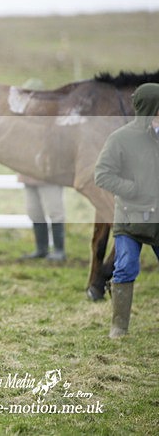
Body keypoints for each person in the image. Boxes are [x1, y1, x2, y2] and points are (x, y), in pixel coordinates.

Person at [94, 83, 159, 338]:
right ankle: (118, 328)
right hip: (130, 220)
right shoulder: (120, 139)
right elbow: (102, 175)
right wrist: (132, 188)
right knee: (126, 267)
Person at [18, 174, 66, 261]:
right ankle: (41, 249)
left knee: (55, 213)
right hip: (28, 176)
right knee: (35, 214)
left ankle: (59, 250)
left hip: (50, 177)